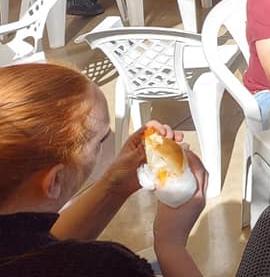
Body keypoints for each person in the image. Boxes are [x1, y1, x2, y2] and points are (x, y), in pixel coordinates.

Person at [0, 63, 207, 277]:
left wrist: (114, 185)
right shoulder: (103, 266)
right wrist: (171, 245)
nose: (108, 144)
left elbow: (38, 248)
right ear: (54, 181)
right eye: (101, 140)